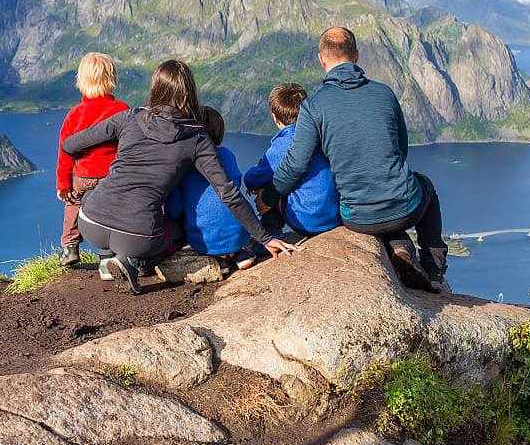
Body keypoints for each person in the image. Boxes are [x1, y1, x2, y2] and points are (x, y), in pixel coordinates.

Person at [61, 59, 300, 293]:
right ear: (188, 95)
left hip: (90, 222)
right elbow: (228, 193)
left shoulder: (129, 117)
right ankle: (136, 262)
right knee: (182, 227)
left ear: (156, 88)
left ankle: (115, 257)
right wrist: (264, 237)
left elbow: (70, 145)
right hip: (137, 238)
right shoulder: (195, 138)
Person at [257, 27, 448, 292]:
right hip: (405, 209)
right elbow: (401, 150)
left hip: (357, 218)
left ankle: (400, 250)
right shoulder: (385, 94)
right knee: (425, 185)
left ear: (321, 59)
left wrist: (268, 198)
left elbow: (295, 164)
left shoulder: (314, 106)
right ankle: (434, 270)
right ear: (356, 55)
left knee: (374, 205)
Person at [55, 52, 129, 276]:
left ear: (81, 81)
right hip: (113, 176)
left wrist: (63, 184)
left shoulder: (74, 115)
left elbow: (65, 152)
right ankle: (110, 257)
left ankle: (70, 247)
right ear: (112, 79)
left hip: (84, 176)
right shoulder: (122, 109)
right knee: (116, 212)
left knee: (73, 204)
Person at [243, 83, 341, 238]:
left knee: (268, 182)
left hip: (307, 222)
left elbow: (253, 178)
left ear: (274, 117)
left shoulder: (285, 142)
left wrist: (254, 183)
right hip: (334, 216)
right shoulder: (322, 134)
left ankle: (271, 236)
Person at [165, 106, 255, 269]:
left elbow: (175, 207)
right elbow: (236, 184)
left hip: (203, 241)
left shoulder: (185, 163)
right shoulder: (227, 155)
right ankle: (240, 253)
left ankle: (219, 258)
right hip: (239, 234)